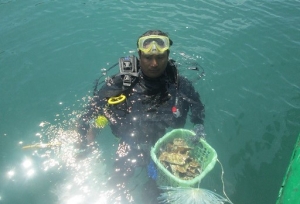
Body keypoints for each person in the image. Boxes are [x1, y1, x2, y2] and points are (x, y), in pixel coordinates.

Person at [76, 30, 205, 203]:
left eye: (160, 57)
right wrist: (84, 134)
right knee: (116, 183)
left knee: (155, 192)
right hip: (128, 142)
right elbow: (92, 109)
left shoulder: (180, 84)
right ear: (139, 56)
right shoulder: (121, 82)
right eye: (148, 58)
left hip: (164, 146)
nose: (154, 63)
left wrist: (199, 125)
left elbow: (197, 106)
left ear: (167, 55)